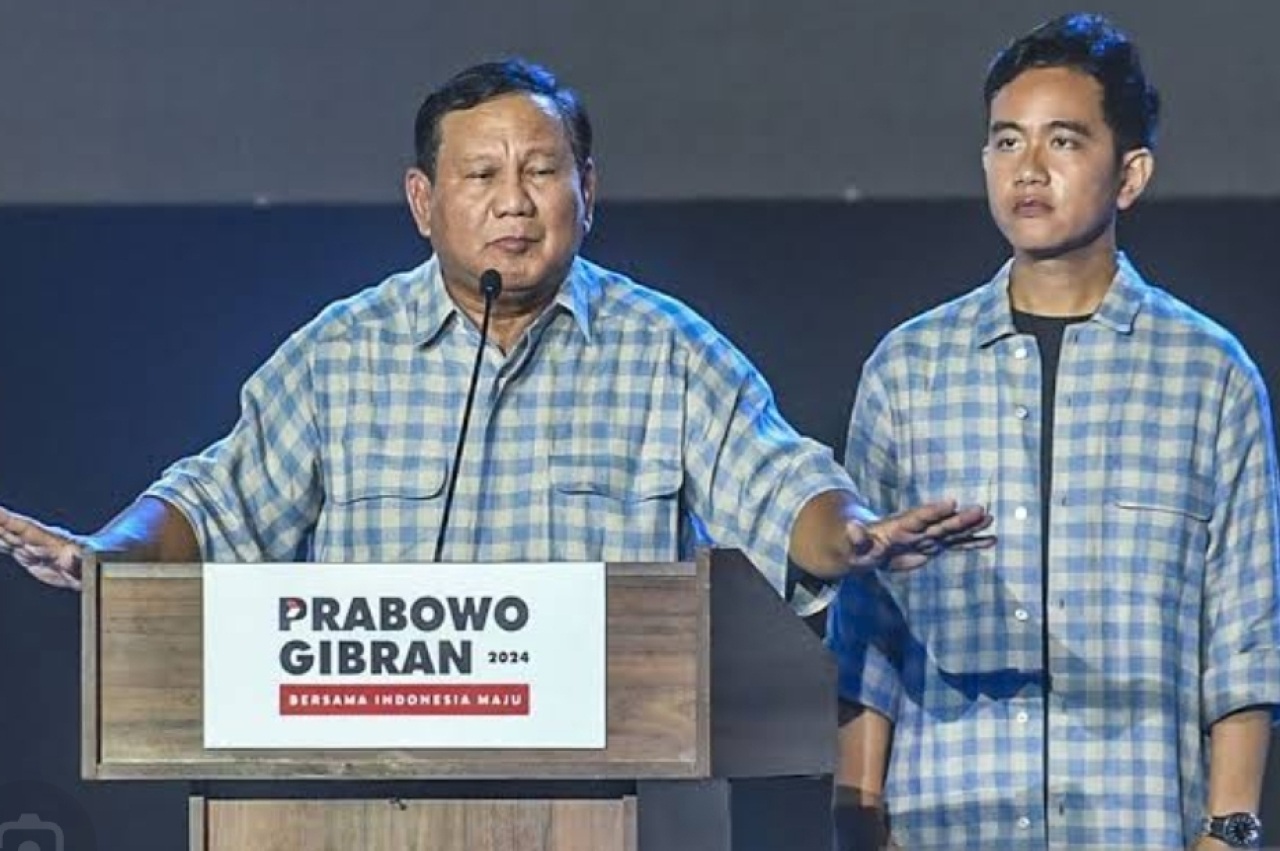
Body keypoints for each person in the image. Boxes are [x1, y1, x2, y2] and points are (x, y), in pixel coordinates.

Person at [0, 59, 990, 600]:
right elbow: (215, 502)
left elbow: (781, 486)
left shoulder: (663, 349)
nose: (513, 201)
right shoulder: (344, 355)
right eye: (481, 175)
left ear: (587, 190)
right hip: (380, 790)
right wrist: (108, 554)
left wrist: (850, 532)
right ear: (422, 201)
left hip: (613, 786)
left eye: (541, 171)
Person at [828, 13, 1279, 851]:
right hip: (948, 821)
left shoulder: (1208, 374)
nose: (1028, 169)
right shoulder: (909, 369)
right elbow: (866, 631)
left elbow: (1246, 635)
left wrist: (1228, 831)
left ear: (1129, 174)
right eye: (1007, 141)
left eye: (1063, 141)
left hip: (1137, 823)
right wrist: (858, 822)